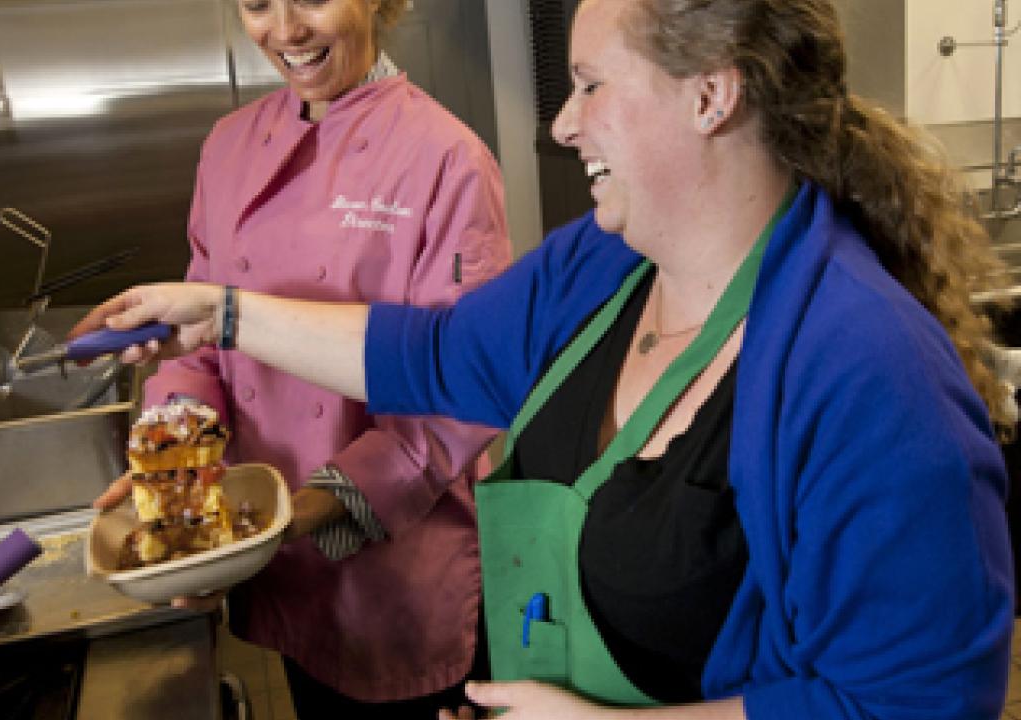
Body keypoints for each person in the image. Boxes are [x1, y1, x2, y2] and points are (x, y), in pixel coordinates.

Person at [74, 0, 1016, 717]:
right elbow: (435, 354)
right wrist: (221, 315)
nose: (564, 126)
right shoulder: (601, 262)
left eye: (592, 85)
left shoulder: (872, 375)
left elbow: (913, 703)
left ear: (711, 94)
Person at [94, 0, 511, 717]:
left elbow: (459, 398)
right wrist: (179, 474)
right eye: (258, 4)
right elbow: (198, 340)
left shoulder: (446, 158)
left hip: (396, 569)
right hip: (279, 558)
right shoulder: (228, 146)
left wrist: (294, 516)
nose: (285, 32)